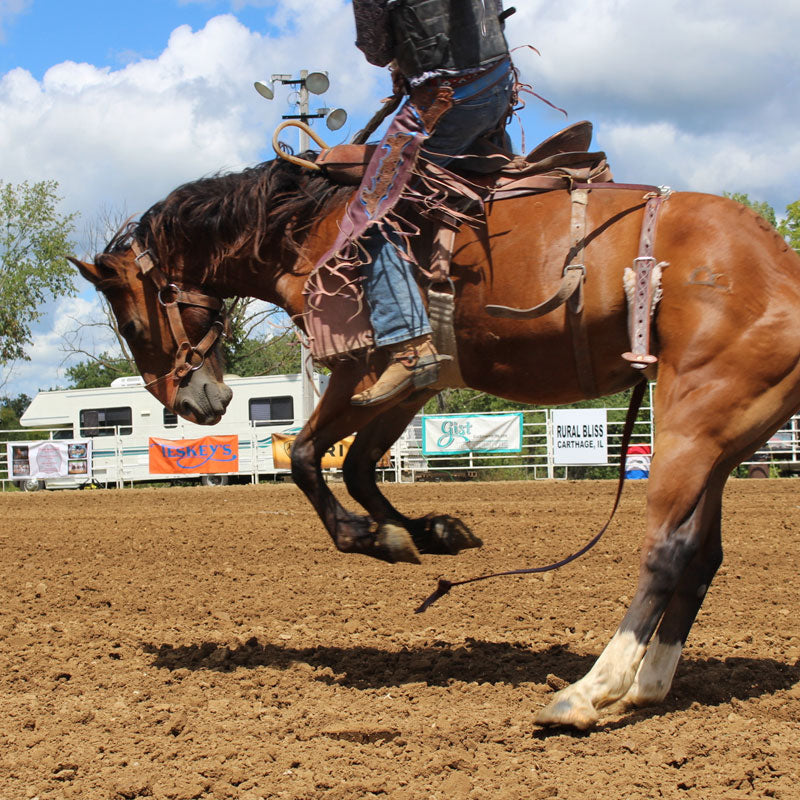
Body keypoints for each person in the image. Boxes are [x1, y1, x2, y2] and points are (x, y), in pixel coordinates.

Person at [343, 0, 516, 406]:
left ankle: (408, 345)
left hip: (449, 99)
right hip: (498, 81)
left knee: (367, 214)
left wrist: (397, 54)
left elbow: (375, 47)